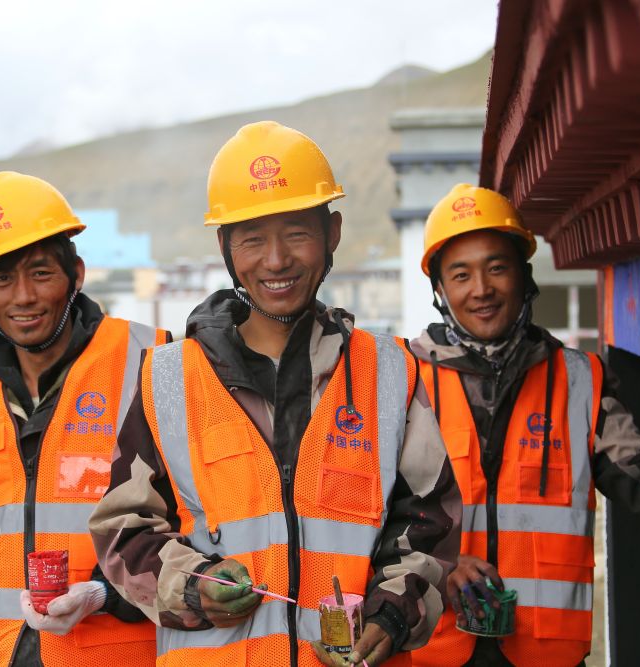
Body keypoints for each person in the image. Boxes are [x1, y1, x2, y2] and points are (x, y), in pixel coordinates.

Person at [88, 121, 462, 667]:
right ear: (224, 246)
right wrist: (192, 586)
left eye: (297, 232)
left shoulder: (389, 372)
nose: (276, 259)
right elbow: (123, 531)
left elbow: (430, 523)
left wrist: (393, 614)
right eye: (252, 238)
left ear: (333, 233)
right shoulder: (166, 378)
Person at [406, 184, 640, 667]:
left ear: (524, 275)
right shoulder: (404, 381)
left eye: (497, 267)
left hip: (546, 653)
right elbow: (365, 516)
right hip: (432, 649)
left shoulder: (579, 380)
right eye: (461, 274)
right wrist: (441, 564)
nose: (481, 289)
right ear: (440, 289)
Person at [0, 171, 168, 667]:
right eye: (2, 279)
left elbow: (190, 530)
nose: (22, 296)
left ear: (76, 275)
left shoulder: (149, 362)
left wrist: (103, 593)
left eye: (41, 273)